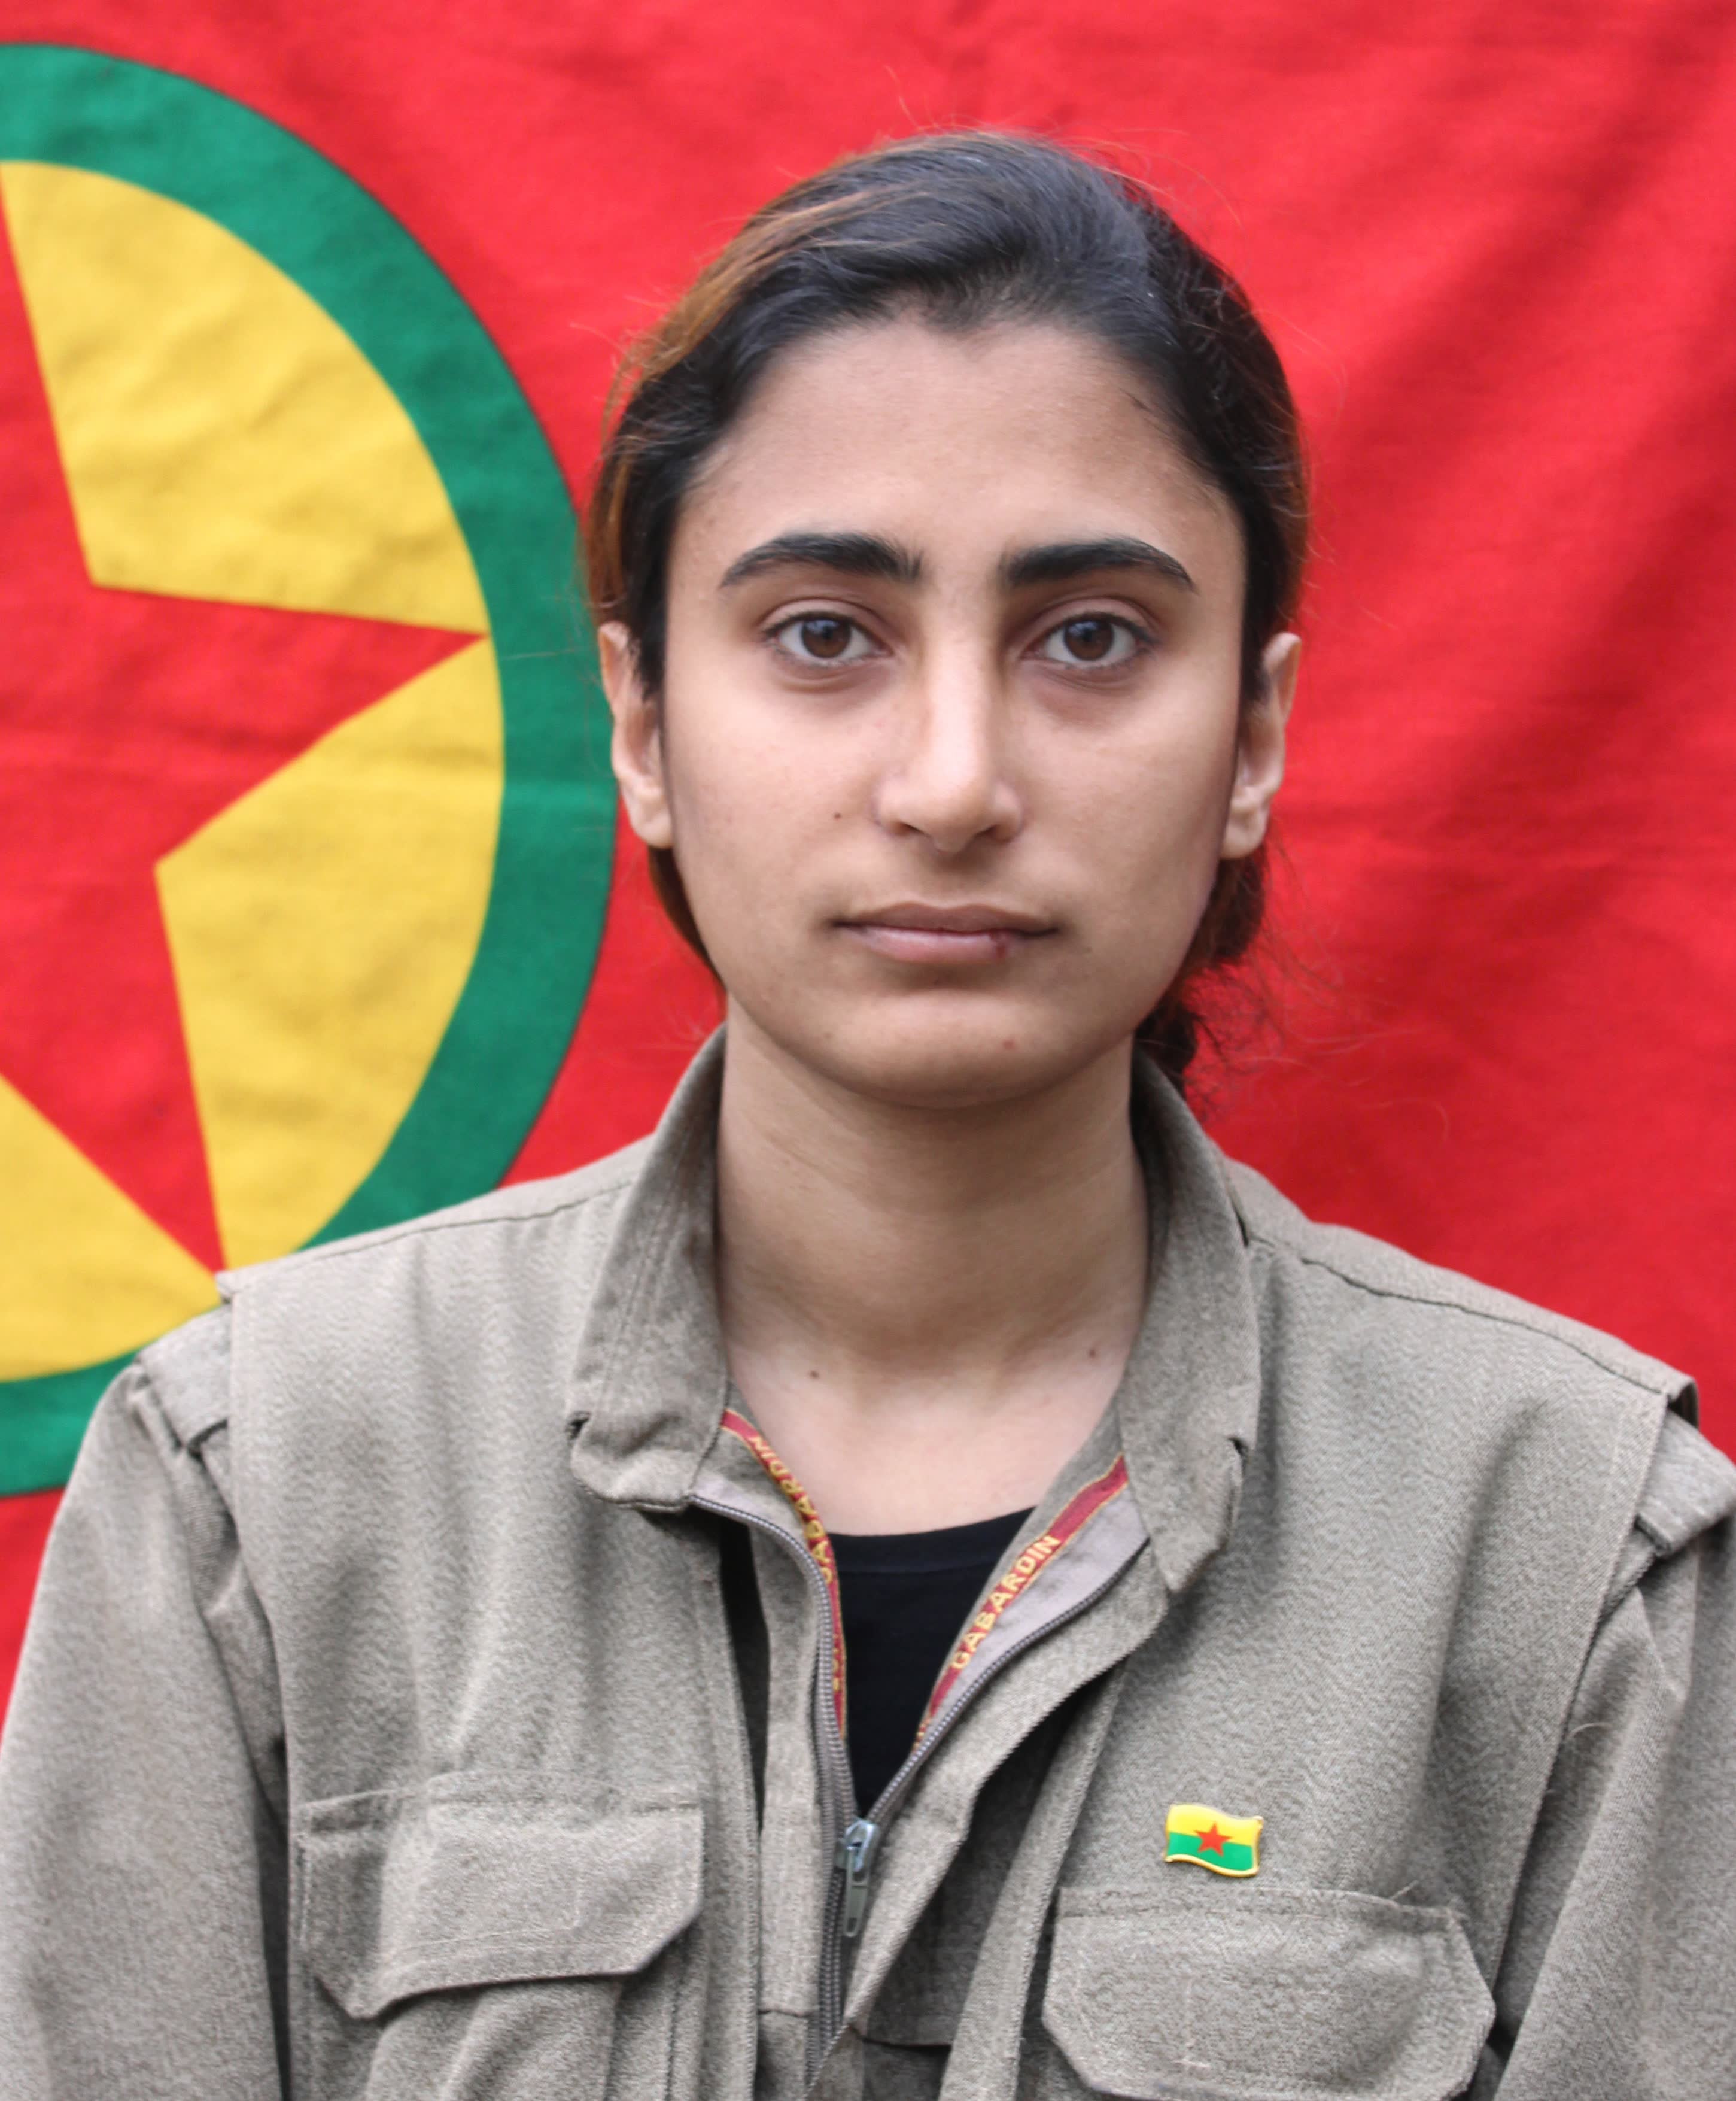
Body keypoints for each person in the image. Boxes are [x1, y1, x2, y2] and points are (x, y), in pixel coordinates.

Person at [1, 129, 1731, 2101]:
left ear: (1253, 738)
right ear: (644, 725)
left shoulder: (1568, 1555)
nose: (954, 781)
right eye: (825, 633)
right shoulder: (259, 1481)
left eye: (1090, 637)